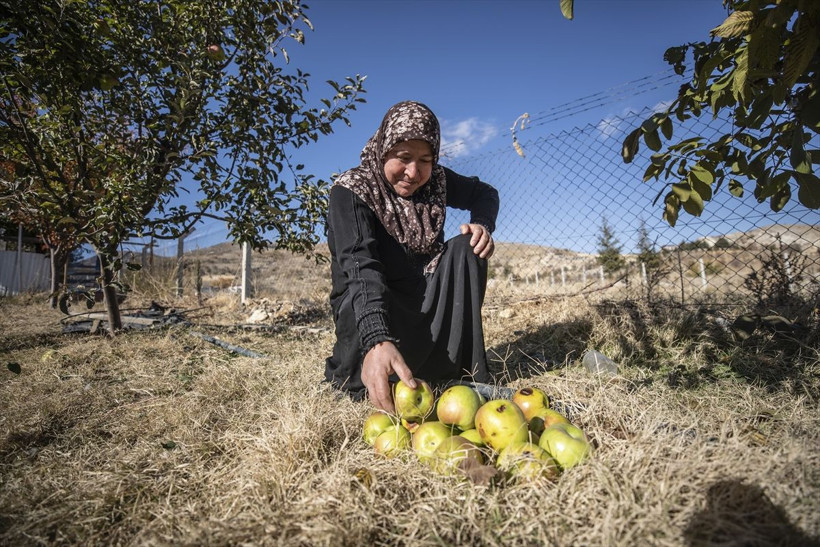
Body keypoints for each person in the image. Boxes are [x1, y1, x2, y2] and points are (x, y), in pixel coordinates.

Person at [324, 101, 500, 413]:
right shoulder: (352, 190)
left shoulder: (437, 182)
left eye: (425, 160)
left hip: (425, 302)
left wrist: (482, 226)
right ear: (383, 150)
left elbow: (485, 193)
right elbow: (360, 268)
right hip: (373, 308)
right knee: (358, 289)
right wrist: (377, 340)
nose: (413, 172)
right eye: (403, 158)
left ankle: (463, 372)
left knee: (465, 246)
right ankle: (374, 365)